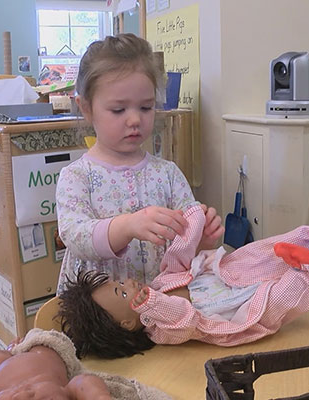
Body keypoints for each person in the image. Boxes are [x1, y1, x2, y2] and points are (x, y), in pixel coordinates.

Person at [58, 205, 309, 359]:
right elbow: (186, 320)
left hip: (222, 278)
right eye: (122, 292)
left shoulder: (157, 285)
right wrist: (153, 304)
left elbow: (177, 262)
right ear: (127, 324)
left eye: (120, 282)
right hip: (235, 310)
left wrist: (190, 227)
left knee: (260, 253)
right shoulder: (159, 330)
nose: (130, 284)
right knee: (279, 300)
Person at [55, 33, 223, 295]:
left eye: (145, 108)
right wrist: (128, 225)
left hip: (160, 303)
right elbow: (76, 236)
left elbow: (183, 247)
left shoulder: (167, 173)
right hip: (100, 313)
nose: (134, 119)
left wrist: (201, 239)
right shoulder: (77, 176)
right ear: (86, 108)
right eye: (119, 110)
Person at [0, 344, 111, 400]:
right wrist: (99, 396)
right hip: (39, 358)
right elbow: (83, 381)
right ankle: (22, 344)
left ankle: (11, 348)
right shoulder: (64, 393)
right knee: (45, 349)